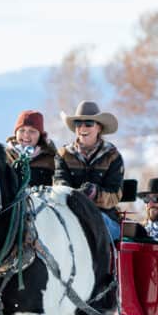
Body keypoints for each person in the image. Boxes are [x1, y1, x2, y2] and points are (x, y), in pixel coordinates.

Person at [54, 100, 124, 241]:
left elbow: (115, 195)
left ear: (99, 127)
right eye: (78, 124)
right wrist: (73, 195)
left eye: (88, 124)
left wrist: (94, 193)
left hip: (105, 217)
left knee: (93, 223)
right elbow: (59, 184)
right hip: (71, 214)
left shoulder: (112, 156)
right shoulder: (63, 154)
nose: (82, 128)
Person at [5, 110, 59, 187]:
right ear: (16, 133)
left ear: (40, 135)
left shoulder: (51, 158)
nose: (26, 135)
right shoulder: (5, 156)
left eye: (32, 131)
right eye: (22, 130)